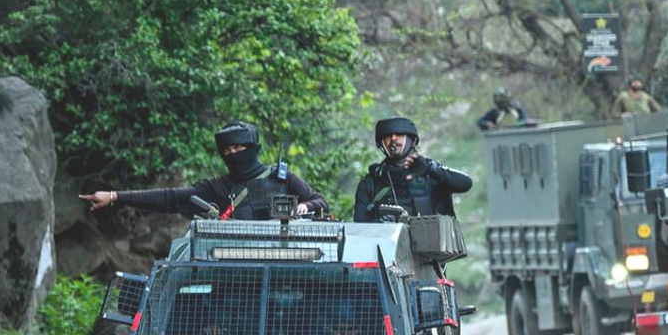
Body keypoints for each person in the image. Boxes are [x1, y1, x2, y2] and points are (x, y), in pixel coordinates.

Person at [78, 121, 328, 220]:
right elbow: (171, 198)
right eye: (227, 152)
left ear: (253, 148)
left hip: (288, 263)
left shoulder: (282, 178)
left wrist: (307, 206)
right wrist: (114, 197)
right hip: (234, 269)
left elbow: (322, 202)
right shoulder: (218, 188)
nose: (233, 155)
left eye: (238, 148)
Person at [353, 116, 473, 223]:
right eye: (387, 136)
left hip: (433, 246)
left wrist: (430, 169)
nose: (393, 139)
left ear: (411, 139)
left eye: (399, 134)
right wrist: (381, 226)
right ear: (381, 143)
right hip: (388, 247)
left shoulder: (432, 172)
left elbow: (465, 183)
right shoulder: (371, 182)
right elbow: (360, 226)